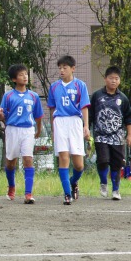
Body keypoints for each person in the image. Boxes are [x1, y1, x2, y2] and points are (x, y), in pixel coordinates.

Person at [0, 65, 44, 205]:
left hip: (28, 130)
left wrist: (38, 129)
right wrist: (0, 115)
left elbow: (38, 115)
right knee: (11, 162)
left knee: (28, 159)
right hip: (12, 129)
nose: (25, 77)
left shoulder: (33, 96)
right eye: (21, 75)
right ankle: (11, 186)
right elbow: (3, 116)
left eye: (26, 74)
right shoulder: (8, 95)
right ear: (14, 79)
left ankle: (28, 194)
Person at [46, 55, 91, 205]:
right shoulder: (54, 87)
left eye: (65, 68)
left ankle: (73, 182)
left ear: (73, 69)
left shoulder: (80, 85)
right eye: (60, 68)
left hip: (75, 122)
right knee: (64, 158)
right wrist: (53, 129)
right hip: (60, 122)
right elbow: (52, 109)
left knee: (79, 165)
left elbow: (84, 107)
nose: (62, 70)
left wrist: (86, 126)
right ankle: (67, 194)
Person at [90, 66, 131, 200]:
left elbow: (129, 118)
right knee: (103, 160)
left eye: (116, 78)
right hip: (100, 136)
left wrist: (130, 135)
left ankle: (116, 190)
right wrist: (85, 129)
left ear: (119, 80)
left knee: (117, 163)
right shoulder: (97, 96)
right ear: (105, 79)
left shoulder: (123, 98)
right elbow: (90, 115)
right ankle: (103, 182)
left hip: (117, 137)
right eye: (111, 78)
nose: (113, 81)